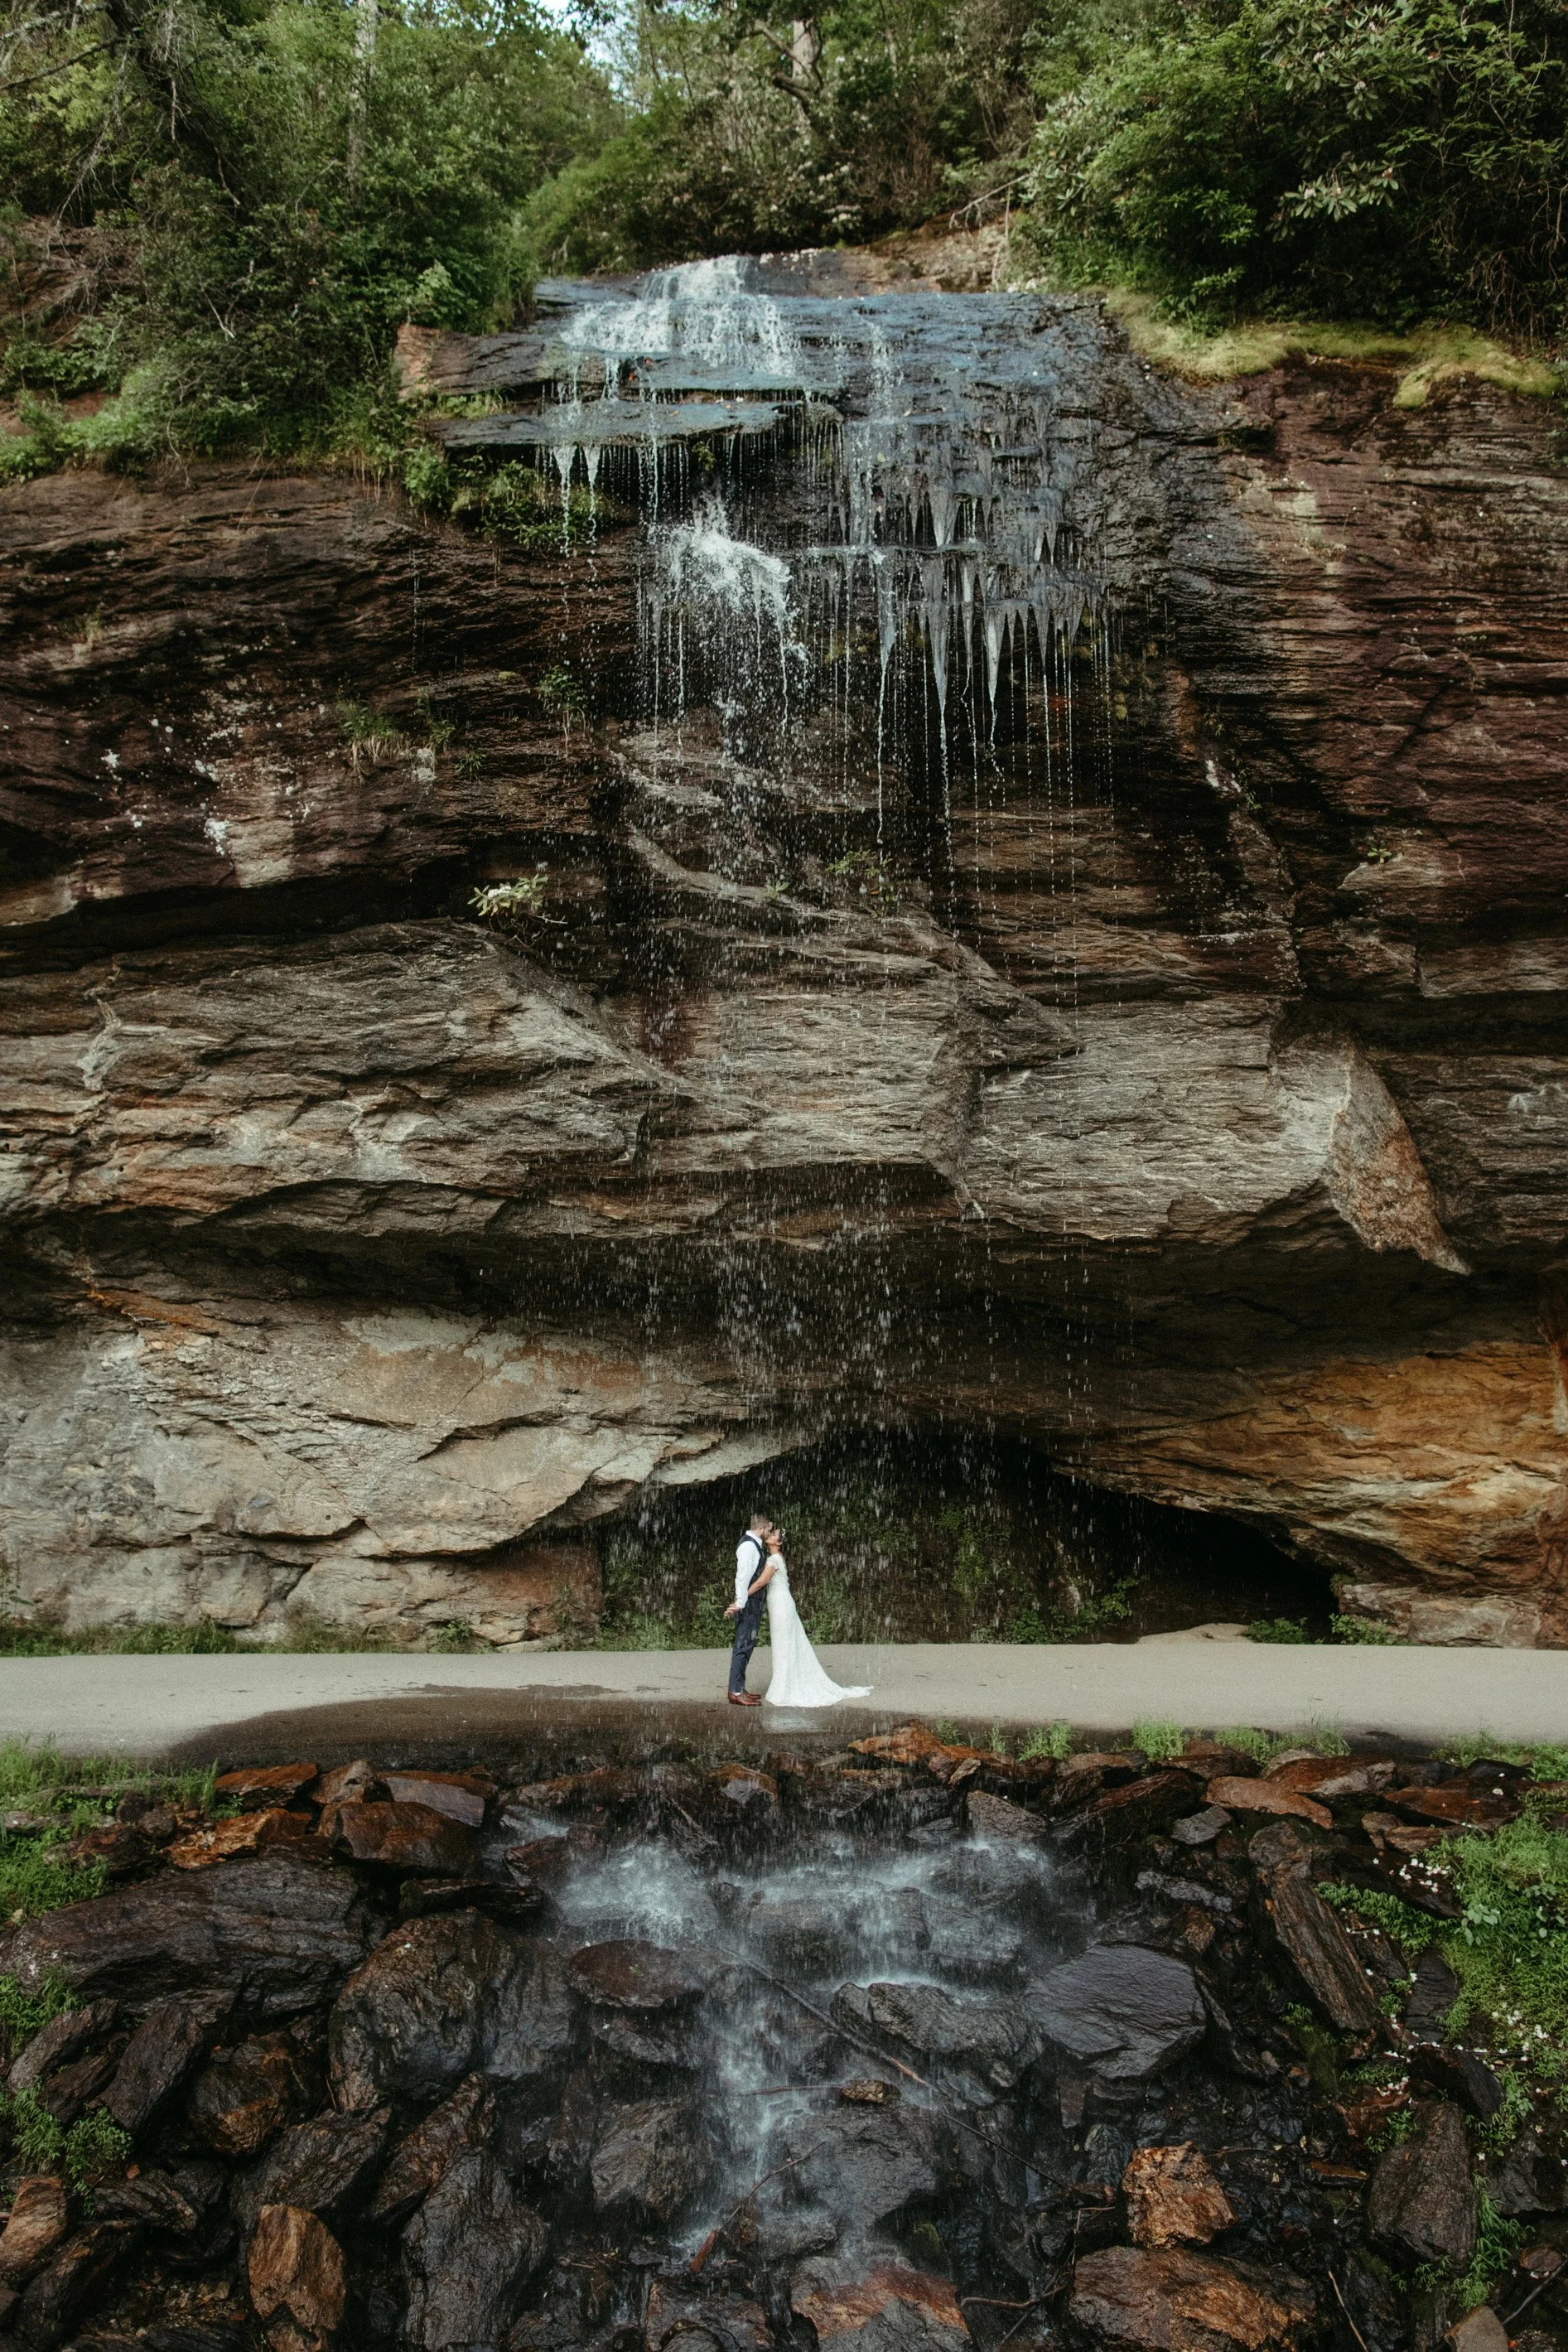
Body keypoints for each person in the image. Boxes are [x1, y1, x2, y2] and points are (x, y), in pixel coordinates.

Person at [747, 1527, 871, 1709]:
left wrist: (741, 1598)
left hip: (781, 1605)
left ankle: (785, 1687)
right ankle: (786, 1683)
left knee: (784, 1644)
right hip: (780, 1604)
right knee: (785, 1644)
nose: (770, 1534)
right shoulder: (776, 1558)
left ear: (778, 1543)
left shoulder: (774, 1559)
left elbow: (760, 1583)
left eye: (774, 1534)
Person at [723, 1510, 773, 1706]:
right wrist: (741, 1603)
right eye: (768, 1529)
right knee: (742, 1646)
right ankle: (735, 1691)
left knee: (747, 1645)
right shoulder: (748, 1547)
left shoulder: (754, 1545)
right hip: (748, 1604)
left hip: (751, 1603)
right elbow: (742, 1577)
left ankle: (740, 1687)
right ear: (761, 1529)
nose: (770, 1532)